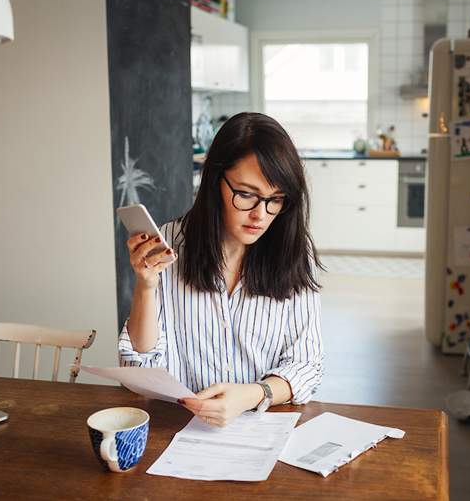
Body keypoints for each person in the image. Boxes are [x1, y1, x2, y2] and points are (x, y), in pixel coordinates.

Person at [119, 112, 324, 427]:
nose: (260, 215)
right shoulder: (171, 243)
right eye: (246, 194)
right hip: (181, 428)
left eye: (275, 200)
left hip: (264, 426)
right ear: (215, 180)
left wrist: (254, 394)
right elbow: (138, 366)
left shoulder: (293, 252)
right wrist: (145, 285)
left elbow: (307, 364)